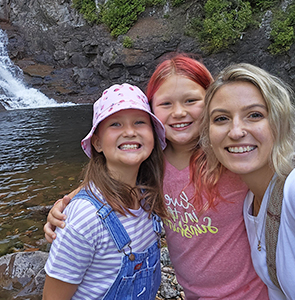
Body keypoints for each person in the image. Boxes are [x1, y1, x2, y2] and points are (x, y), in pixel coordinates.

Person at [44, 54, 268, 299]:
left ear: (212, 103)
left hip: (252, 292)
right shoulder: (152, 165)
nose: (179, 112)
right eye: (166, 104)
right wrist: (67, 204)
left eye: (191, 100)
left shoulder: (230, 156)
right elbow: (109, 181)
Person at [42, 83, 168, 300]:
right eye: (115, 124)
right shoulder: (84, 218)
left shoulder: (150, 196)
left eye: (139, 122)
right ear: (97, 143)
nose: (130, 132)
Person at [199, 62, 295, 299]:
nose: (236, 131)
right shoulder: (251, 202)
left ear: (280, 122)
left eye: (254, 115)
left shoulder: (292, 189)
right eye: (221, 118)